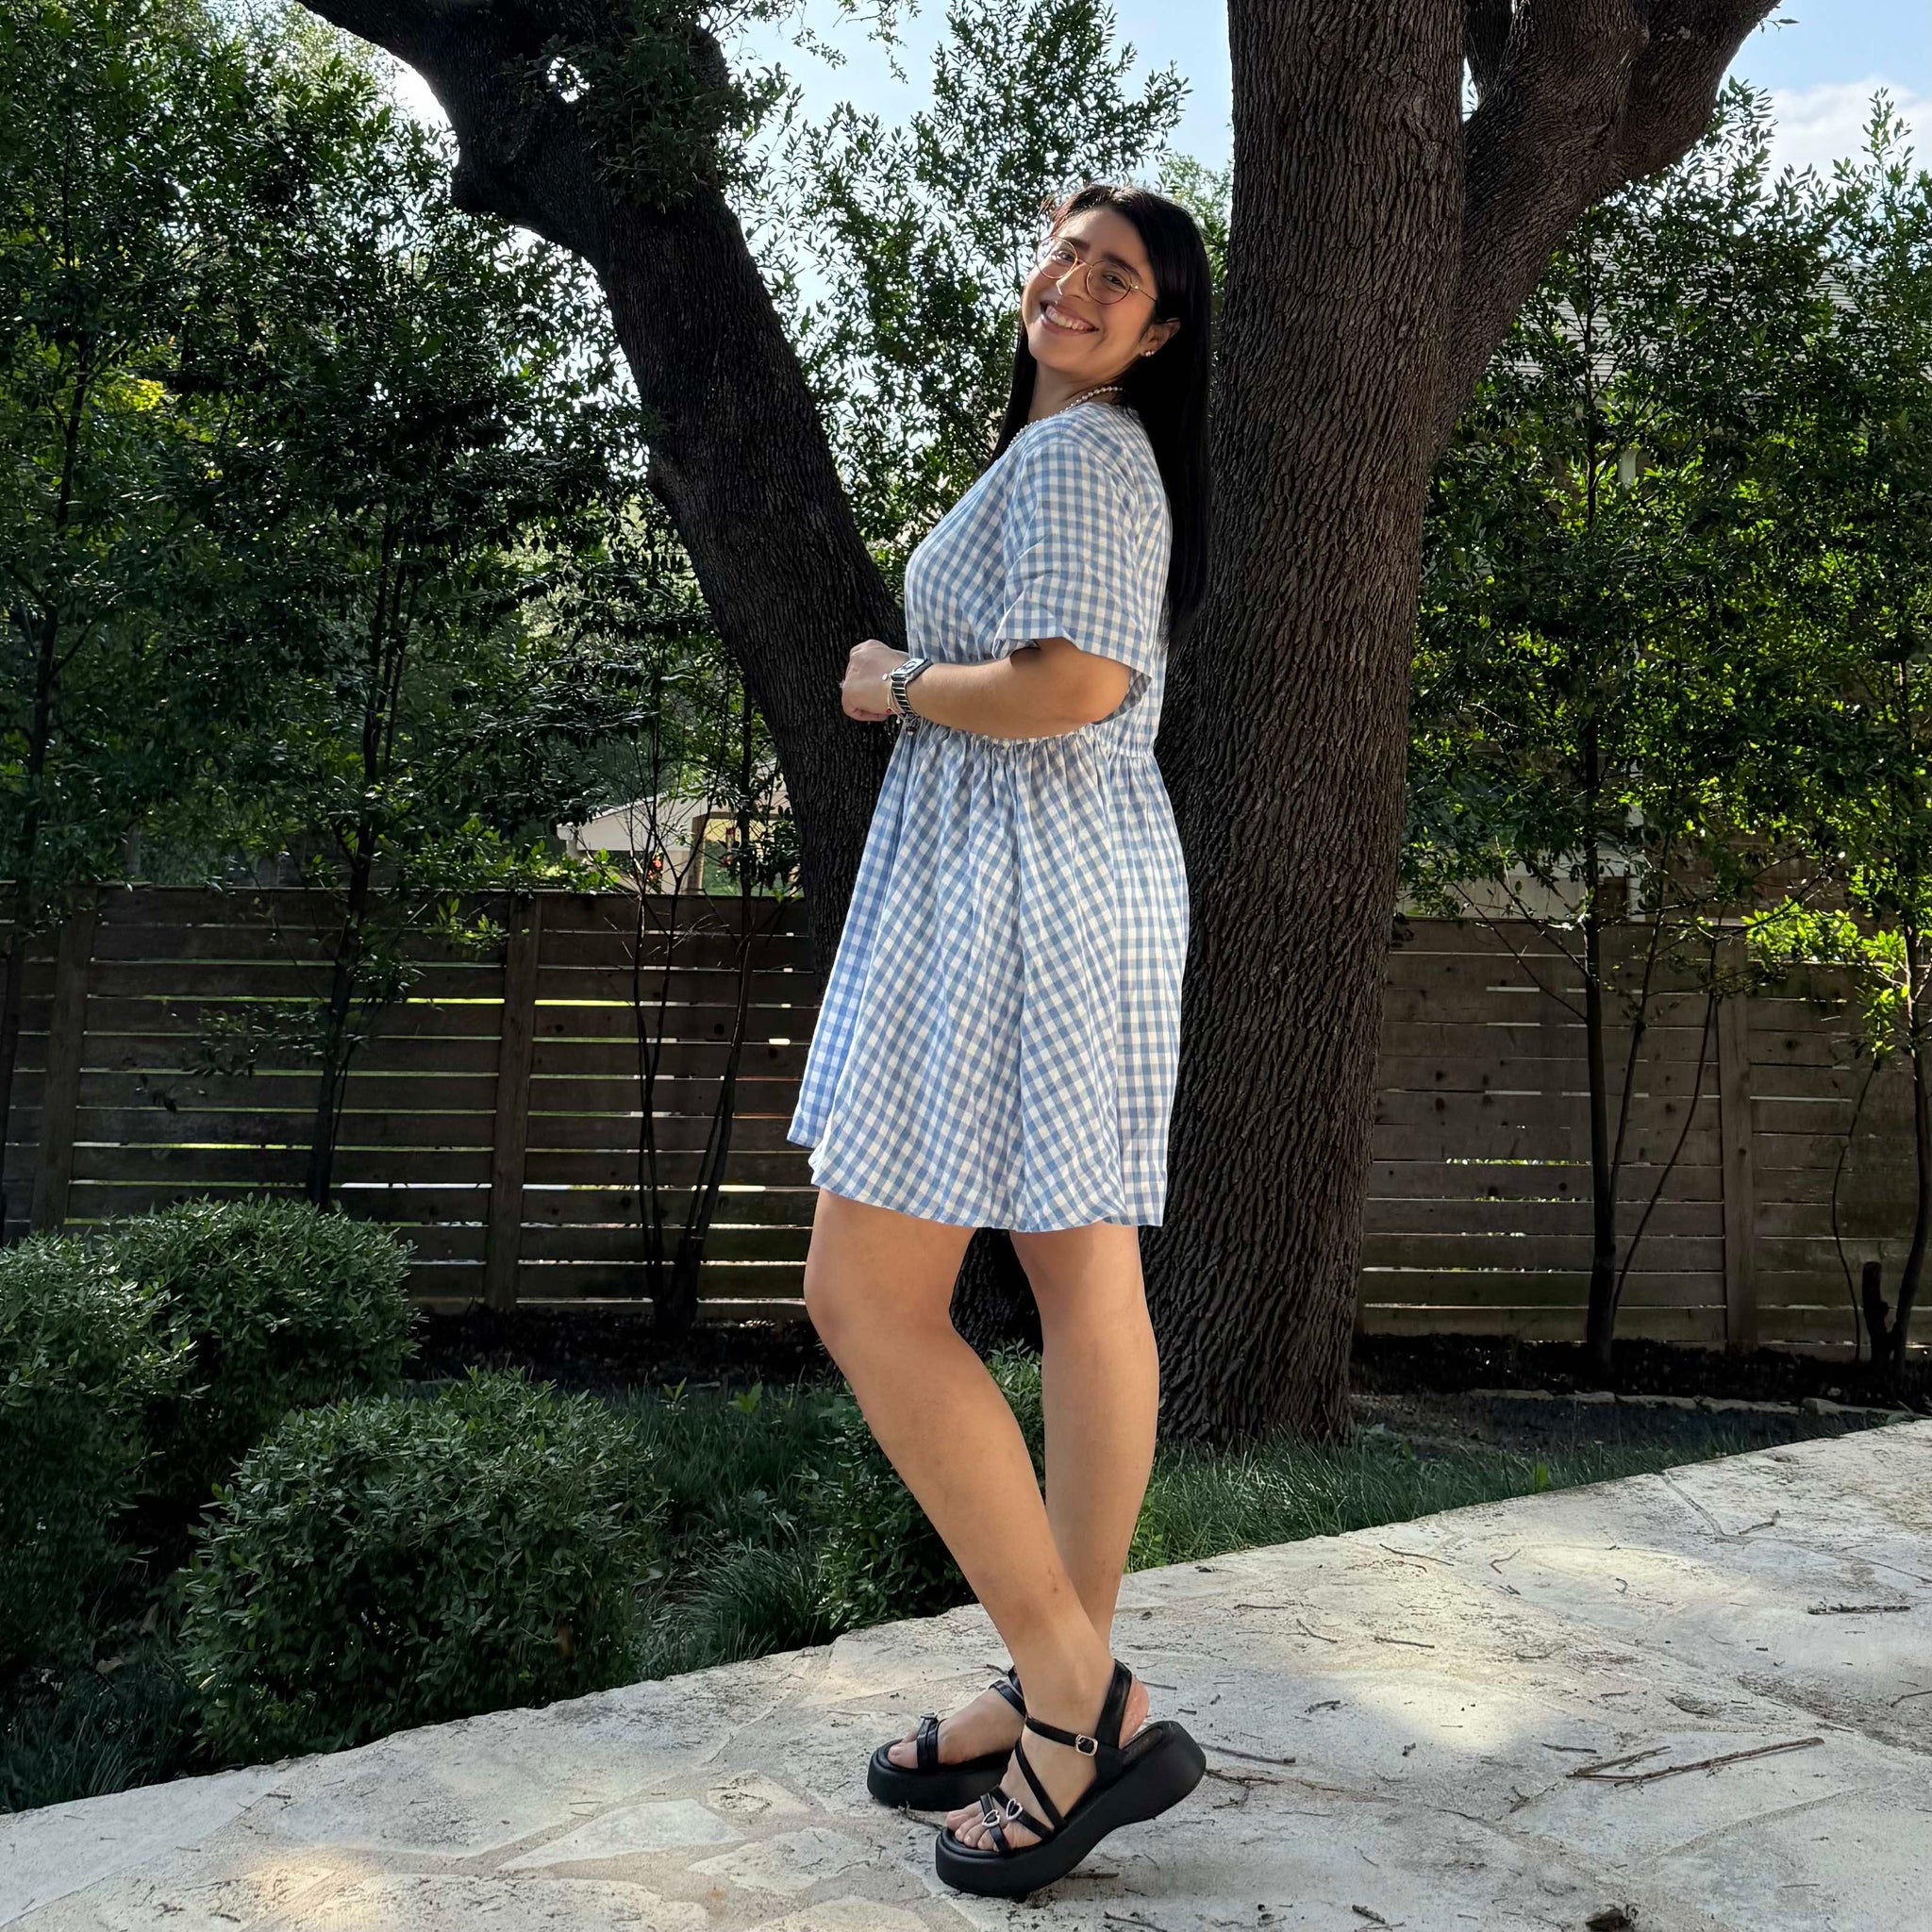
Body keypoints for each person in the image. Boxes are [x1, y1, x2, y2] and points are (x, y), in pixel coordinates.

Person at [788, 178, 1213, 1900]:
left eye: (1123, 280)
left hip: (1021, 899)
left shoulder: (1087, 459)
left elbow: (1072, 687)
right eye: (1071, 257)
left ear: (1158, 332)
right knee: (1081, 1285)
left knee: (865, 1293)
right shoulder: (1068, 454)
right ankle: (1058, 1700)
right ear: (1037, 266)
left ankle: (1075, 1697)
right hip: (1061, 890)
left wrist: (892, 683)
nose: (1083, 289)